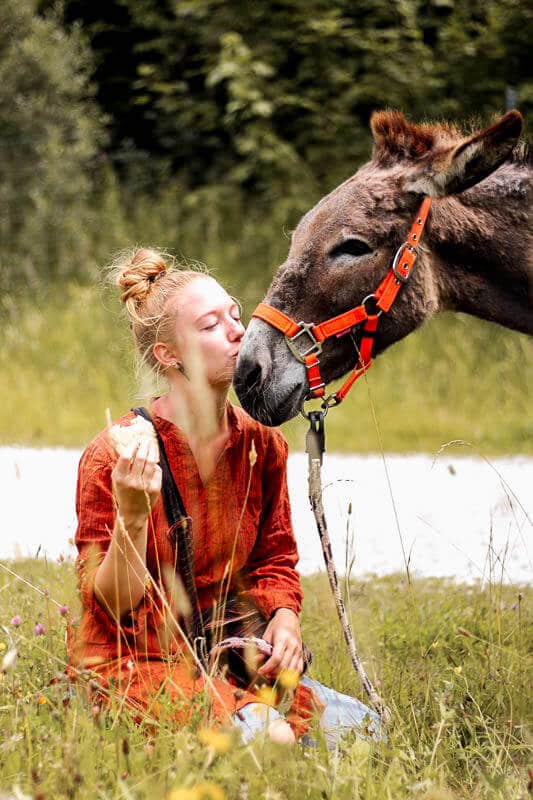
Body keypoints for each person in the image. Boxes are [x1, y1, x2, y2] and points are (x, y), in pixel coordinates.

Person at [68, 247, 381, 746]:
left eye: (236, 315)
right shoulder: (116, 454)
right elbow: (112, 605)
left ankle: (253, 716)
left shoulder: (262, 446)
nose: (239, 331)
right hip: (139, 662)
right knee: (267, 738)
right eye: (212, 325)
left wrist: (285, 621)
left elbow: (275, 559)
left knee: (367, 730)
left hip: (229, 656)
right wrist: (132, 515)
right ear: (168, 355)